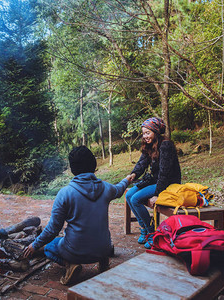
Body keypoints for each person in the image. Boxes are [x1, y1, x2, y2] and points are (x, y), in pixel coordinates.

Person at [23, 146, 135, 285]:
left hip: (75, 252)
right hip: (104, 249)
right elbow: (119, 189)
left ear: (73, 169)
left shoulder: (65, 193)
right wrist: (127, 180)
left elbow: (53, 229)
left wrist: (35, 245)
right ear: (93, 165)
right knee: (97, 239)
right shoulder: (106, 188)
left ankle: (71, 265)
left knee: (49, 247)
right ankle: (103, 262)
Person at [125, 117, 181, 249]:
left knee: (135, 199)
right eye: (143, 133)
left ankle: (152, 232)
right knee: (128, 195)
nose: (145, 136)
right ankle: (144, 227)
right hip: (155, 180)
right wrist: (134, 174)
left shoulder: (165, 145)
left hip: (168, 182)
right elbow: (142, 162)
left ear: (155, 132)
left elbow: (165, 172)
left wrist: (158, 194)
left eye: (147, 133)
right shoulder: (149, 145)